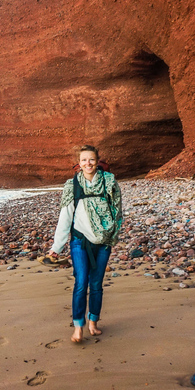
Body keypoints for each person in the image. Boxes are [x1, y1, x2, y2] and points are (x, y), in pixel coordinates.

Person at [48, 145, 124, 343]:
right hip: (80, 241)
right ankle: (78, 327)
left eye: (91, 159)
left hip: (103, 241)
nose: (88, 163)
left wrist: (112, 234)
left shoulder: (109, 183)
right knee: (81, 283)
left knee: (97, 284)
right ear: (78, 163)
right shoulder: (72, 186)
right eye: (84, 160)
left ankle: (93, 322)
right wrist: (56, 248)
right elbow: (65, 218)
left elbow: (117, 212)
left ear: (97, 161)